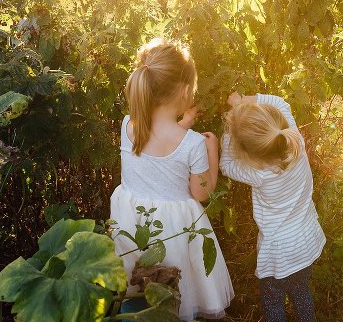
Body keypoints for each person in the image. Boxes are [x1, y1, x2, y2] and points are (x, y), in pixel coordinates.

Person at [110, 38, 234, 319]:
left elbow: (157, 147)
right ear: (185, 90)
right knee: (175, 295)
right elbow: (202, 193)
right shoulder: (191, 145)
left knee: (137, 289)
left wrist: (181, 124)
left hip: (134, 222)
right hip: (173, 233)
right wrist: (212, 151)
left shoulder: (128, 126)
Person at [220, 92, 326, 322]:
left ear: (247, 152)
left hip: (278, 254)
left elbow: (226, 165)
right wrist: (249, 102)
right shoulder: (295, 140)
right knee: (301, 291)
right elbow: (281, 103)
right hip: (305, 245)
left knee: (273, 302)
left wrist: (233, 119)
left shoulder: (257, 172)